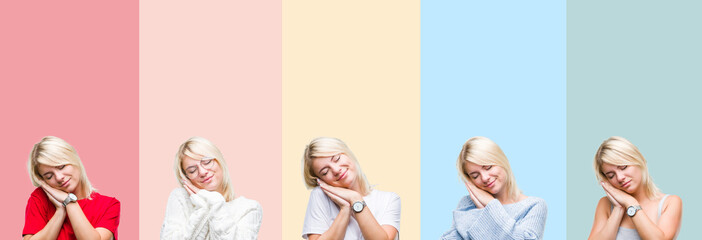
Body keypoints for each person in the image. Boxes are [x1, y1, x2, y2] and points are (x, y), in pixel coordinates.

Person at [441, 136, 547, 240]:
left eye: (488, 167)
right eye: (475, 176)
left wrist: (490, 205)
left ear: (501, 160)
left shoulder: (533, 206)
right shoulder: (467, 204)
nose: (485, 178)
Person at [160, 137, 262, 240]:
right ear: (186, 178)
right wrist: (203, 207)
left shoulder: (249, 208)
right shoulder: (180, 197)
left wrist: (215, 202)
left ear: (219, 160)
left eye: (207, 162)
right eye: (192, 170)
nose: (202, 172)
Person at [301, 137, 401, 240]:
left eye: (337, 159)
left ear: (347, 153)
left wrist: (355, 199)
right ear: (321, 180)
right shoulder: (320, 196)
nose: (336, 170)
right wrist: (345, 208)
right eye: (325, 172)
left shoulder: (389, 199)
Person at [23, 136, 120, 240]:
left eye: (61, 166)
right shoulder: (39, 198)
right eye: (49, 176)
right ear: (43, 181)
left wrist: (69, 201)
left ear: (74, 159)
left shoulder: (109, 205)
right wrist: (60, 211)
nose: (59, 177)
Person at [588, 136, 682, 240]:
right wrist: (618, 209)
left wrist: (631, 203)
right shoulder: (605, 204)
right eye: (611, 175)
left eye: (623, 167)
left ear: (639, 160)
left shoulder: (670, 203)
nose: (620, 178)